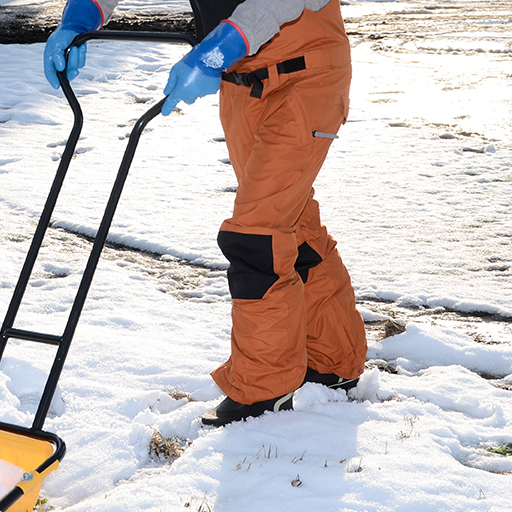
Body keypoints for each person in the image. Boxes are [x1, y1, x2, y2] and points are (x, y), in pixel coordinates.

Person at [43, 0, 367, 427]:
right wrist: (78, 20)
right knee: (291, 221)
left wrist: (219, 48)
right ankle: (334, 358)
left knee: (257, 231)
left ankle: (264, 386)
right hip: (242, 84)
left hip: (305, 78)